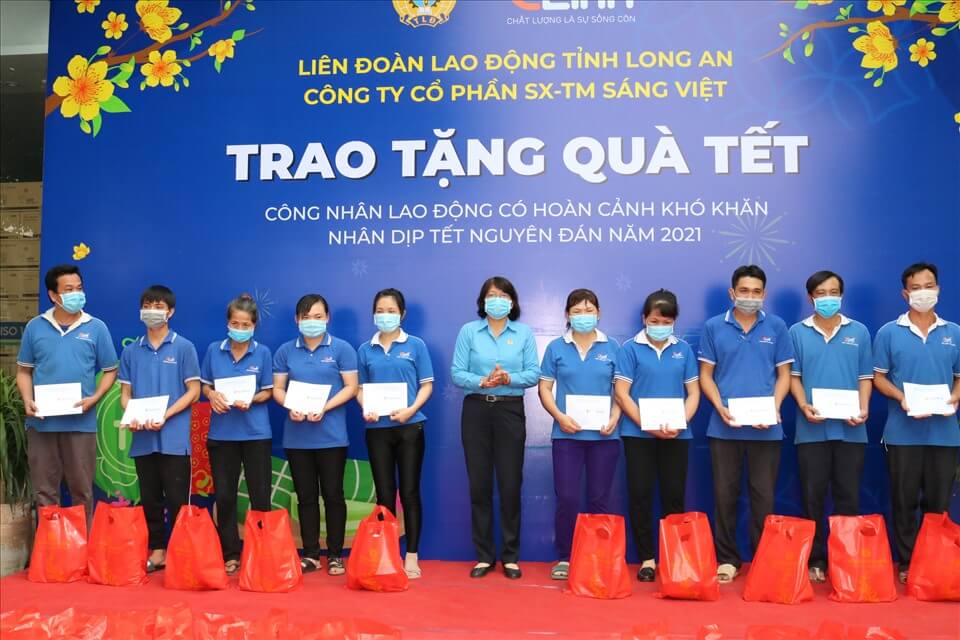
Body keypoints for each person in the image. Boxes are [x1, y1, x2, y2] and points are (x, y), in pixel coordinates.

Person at [698, 264, 794, 583]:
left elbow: (784, 375)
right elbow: (706, 376)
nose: (749, 297)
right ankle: (727, 559)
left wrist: (774, 407)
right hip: (724, 427)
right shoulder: (713, 327)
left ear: (764, 294)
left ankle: (763, 558)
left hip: (767, 428)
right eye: (744, 291)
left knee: (763, 498)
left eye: (756, 292)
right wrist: (720, 407)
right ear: (732, 292)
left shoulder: (777, 326)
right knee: (724, 495)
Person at [873, 262, 960, 584]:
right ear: (905, 293)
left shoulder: (954, 332)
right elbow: (878, 378)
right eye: (916, 287)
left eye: (929, 286)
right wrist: (901, 397)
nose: (924, 292)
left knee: (938, 504)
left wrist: (955, 397)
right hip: (902, 433)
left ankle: (935, 563)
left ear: (938, 289)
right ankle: (909, 562)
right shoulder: (888, 332)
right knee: (904, 500)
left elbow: (959, 378)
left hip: (944, 433)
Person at [16, 264, 118, 528]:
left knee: (82, 491)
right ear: (53, 295)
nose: (76, 294)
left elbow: (110, 370)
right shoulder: (35, 327)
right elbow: (24, 371)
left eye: (79, 288)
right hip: (42, 424)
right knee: (44, 492)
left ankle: (82, 548)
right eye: (69, 289)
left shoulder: (96, 327)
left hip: (80, 424)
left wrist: (95, 398)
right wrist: (27, 399)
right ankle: (50, 547)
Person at [452, 276, 539, 580]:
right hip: (476, 409)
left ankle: (510, 556)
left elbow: (533, 373)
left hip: (509, 410)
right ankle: (484, 556)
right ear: (482, 301)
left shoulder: (524, 332)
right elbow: (457, 372)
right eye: (492, 295)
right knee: (479, 484)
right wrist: (482, 381)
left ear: (512, 302)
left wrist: (508, 379)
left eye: (503, 295)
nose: (497, 300)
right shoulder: (469, 331)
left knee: (510, 483)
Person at [788, 271, 872, 583]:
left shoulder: (859, 331)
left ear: (842, 295)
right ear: (811, 297)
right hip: (811, 429)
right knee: (812, 497)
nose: (828, 298)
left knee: (848, 496)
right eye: (821, 293)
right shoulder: (797, 332)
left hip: (852, 429)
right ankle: (816, 559)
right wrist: (803, 405)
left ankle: (845, 560)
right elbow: (793, 377)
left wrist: (863, 408)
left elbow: (865, 377)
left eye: (834, 292)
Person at [614, 289, 700, 582]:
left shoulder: (683, 350)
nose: (659, 325)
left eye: (666, 321)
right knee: (640, 495)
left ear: (674, 321)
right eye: (654, 320)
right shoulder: (629, 349)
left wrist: (681, 422)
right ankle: (647, 559)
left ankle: (674, 558)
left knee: (674, 497)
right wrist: (646, 425)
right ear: (644, 319)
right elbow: (622, 394)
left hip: (677, 435)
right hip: (638, 435)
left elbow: (693, 393)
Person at [538, 288, 621, 581]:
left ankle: (598, 556)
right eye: (577, 311)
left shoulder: (613, 347)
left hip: (604, 437)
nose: (583, 316)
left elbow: (621, 391)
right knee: (568, 498)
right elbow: (544, 388)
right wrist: (559, 417)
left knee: (599, 499)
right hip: (567, 436)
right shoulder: (556, 348)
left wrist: (615, 418)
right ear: (567, 315)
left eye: (589, 311)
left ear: (598, 313)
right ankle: (565, 556)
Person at [273, 294, 358, 576]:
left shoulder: (342, 349)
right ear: (297, 320)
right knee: (305, 497)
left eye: (318, 316)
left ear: (327, 318)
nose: (312, 322)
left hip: (332, 436)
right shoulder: (285, 351)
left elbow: (351, 387)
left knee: (333, 495)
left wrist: (325, 406)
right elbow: (277, 389)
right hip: (297, 437)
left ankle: (334, 555)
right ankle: (310, 553)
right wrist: (290, 406)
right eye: (306, 317)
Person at [118, 285, 201, 572]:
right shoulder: (131, 351)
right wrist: (132, 413)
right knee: (150, 498)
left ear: (170, 311)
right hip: (143, 437)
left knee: (177, 499)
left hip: (175, 438)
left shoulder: (184, 347)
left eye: (158, 306)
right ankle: (157, 550)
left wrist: (167, 414)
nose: (152, 311)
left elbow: (194, 391)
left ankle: (180, 552)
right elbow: (125, 395)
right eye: (147, 306)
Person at [356, 288, 434, 579]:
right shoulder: (365, 349)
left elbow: (427, 385)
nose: (385, 316)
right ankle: (387, 553)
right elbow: (360, 389)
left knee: (410, 492)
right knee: (384, 494)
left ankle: (411, 555)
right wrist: (367, 407)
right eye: (380, 311)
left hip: (410, 428)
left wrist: (411, 410)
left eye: (391, 311)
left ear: (402, 314)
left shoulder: (415, 345)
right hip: (377, 430)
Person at [200, 293, 275, 575]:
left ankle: (262, 553)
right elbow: (205, 386)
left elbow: (268, 391)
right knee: (225, 497)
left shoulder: (263, 353)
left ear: (254, 326)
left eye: (246, 325)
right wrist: (212, 395)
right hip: (221, 435)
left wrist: (252, 399)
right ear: (227, 323)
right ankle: (230, 554)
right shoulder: (213, 350)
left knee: (260, 496)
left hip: (256, 434)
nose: (240, 329)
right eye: (235, 323)